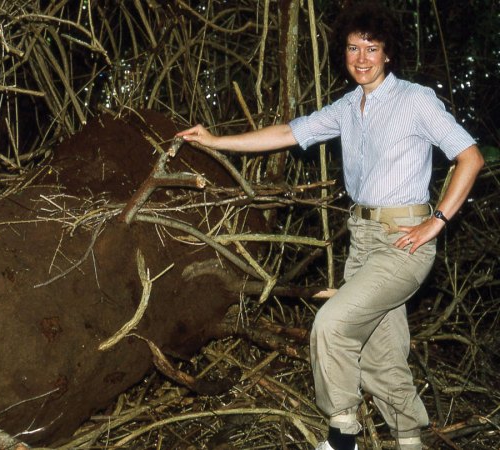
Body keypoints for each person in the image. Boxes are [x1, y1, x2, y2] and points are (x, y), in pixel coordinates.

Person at [177, 3, 483, 450]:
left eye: (371, 49)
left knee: (332, 325)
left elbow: (469, 157)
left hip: (404, 241)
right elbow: (287, 132)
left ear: (388, 54)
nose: (361, 58)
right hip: (362, 241)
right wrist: (215, 141)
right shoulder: (347, 107)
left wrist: (436, 221)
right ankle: (409, 440)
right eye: (353, 48)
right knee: (382, 356)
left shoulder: (416, 100)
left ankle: (342, 433)